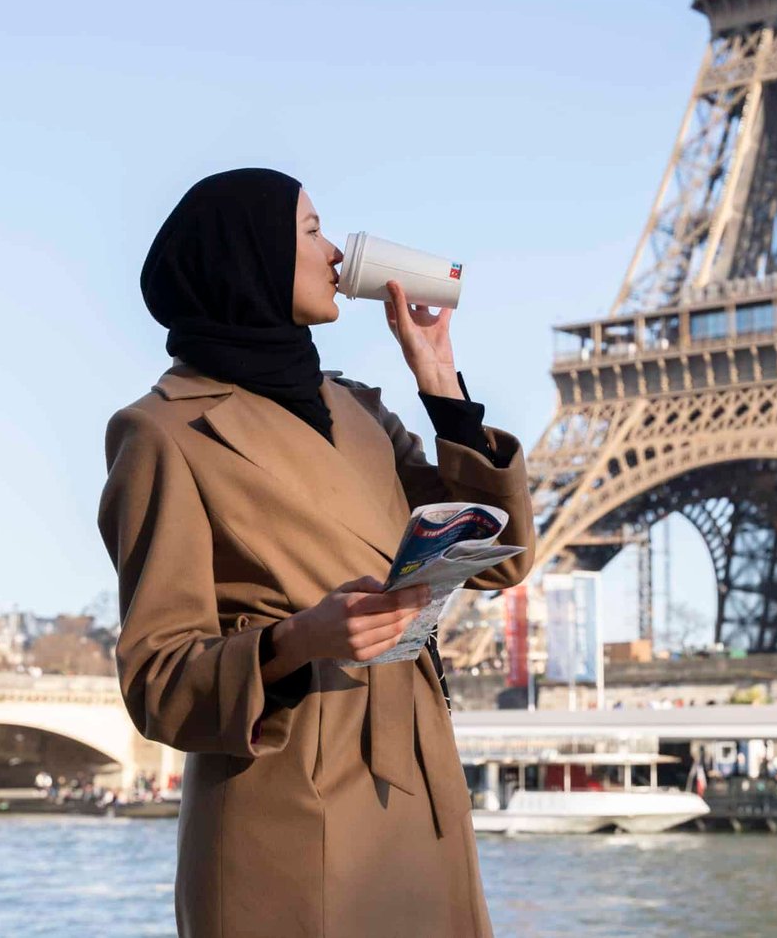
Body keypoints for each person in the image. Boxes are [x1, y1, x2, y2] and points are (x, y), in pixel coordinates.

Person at [98, 169, 533, 938]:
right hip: (288, 812)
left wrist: (437, 378)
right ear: (251, 257)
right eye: (310, 230)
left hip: (419, 794)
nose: (336, 252)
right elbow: (157, 678)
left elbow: (502, 557)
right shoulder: (163, 432)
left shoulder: (359, 408)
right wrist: (298, 639)